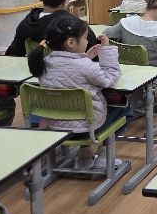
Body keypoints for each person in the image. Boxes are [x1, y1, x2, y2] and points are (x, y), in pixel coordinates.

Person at [27, 15, 124, 170]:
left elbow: (69, 71)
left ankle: (84, 155)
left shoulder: (43, 63)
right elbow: (109, 78)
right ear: (71, 42)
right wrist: (106, 50)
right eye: (85, 38)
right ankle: (103, 155)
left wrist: (86, 57)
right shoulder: (85, 66)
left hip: (54, 125)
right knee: (125, 110)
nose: (87, 41)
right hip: (85, 129)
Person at [6, 0, 98, 56]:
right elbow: (95, 50)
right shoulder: (74, 26)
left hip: (36, 69)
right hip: (67, 69)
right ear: (66, 2)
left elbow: (13, 53)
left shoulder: (26, 23)